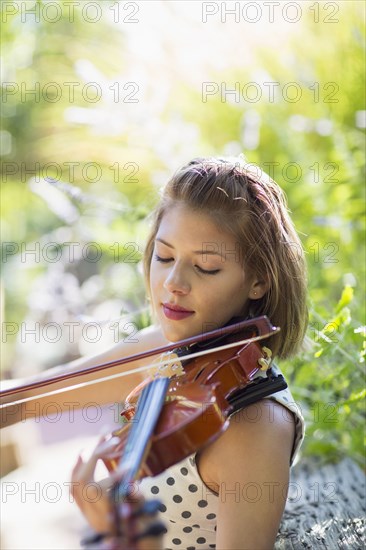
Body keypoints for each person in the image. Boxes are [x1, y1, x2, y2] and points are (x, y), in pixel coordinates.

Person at [70, 156, 308, 550]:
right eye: (164, 257)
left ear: (259, 282)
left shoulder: (256, 427)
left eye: (206, 267)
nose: (174, 283)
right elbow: (26, 399)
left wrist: (130, 538)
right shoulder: (167, 351)